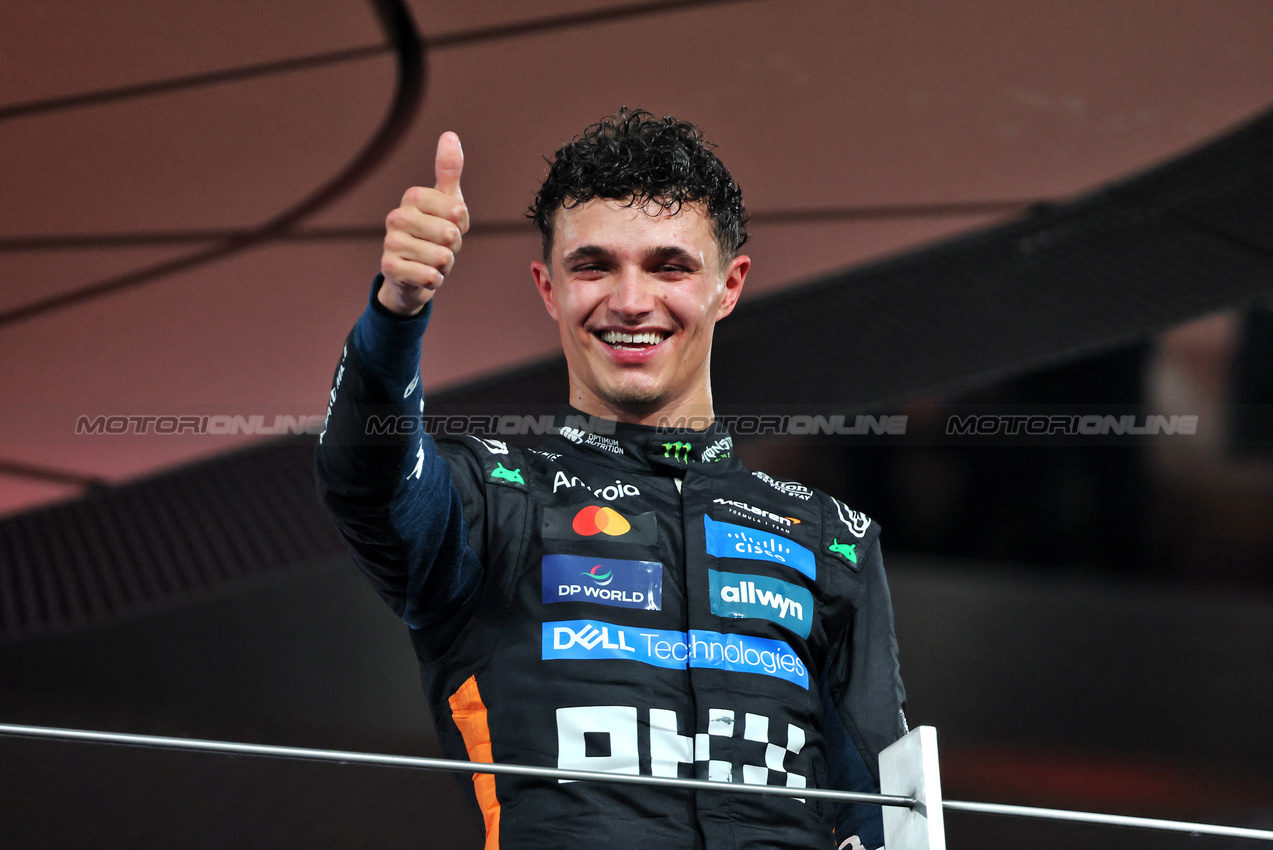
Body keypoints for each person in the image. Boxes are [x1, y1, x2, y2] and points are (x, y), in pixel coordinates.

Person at [315, 109, 907, 850]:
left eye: (669, 266)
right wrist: (395, 312)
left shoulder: (832, 539)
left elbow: (883, 808)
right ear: (547, 287)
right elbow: (363, 481)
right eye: (593, 266)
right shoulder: (493, 501)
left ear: (728, 286)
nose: (630, 302)